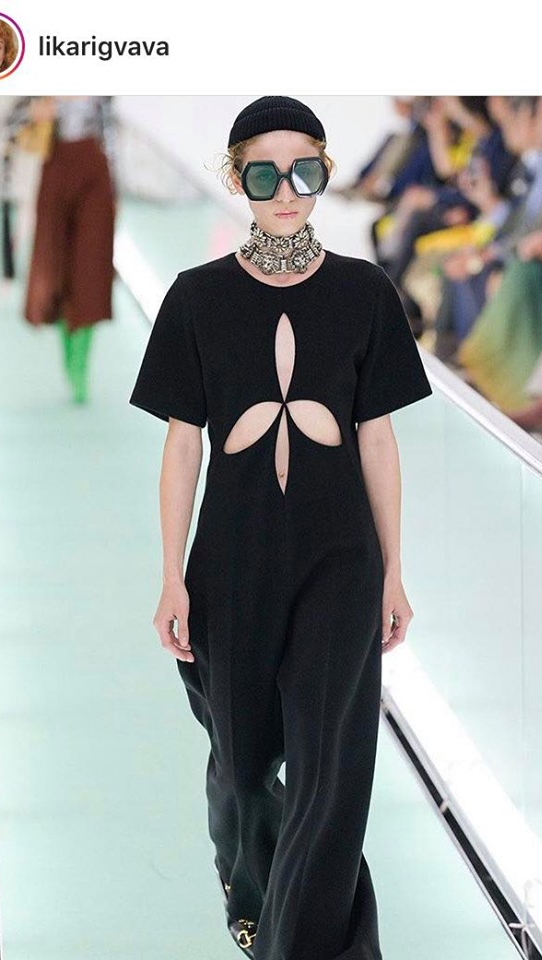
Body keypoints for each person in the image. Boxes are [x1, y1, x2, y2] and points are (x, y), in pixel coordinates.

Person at [129, 95, 433, 960]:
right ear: (237, 181)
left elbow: (376, 438)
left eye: (305, 171)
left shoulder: (364, 292)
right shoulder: (197, 297)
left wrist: (392, 571)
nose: (288, 191)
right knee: (243, 768)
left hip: (341, 562)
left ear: (324, 173)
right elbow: (183, 445)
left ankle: (312, 946)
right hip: (231, 564)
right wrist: (171, 575)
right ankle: (257, 908)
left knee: (332, 771)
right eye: (265, 175)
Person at [6, 96, 117, 403]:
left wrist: (116, 189)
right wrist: (36, 111)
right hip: (55, 166)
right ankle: (69, 353)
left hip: (94, 170)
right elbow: (11, 127)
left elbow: (112, 129)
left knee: (91, 269)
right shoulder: (41, 84)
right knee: (56, 267)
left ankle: (80, 364)